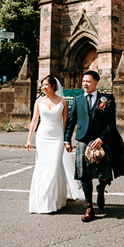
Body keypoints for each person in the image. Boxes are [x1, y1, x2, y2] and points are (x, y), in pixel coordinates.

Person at [64, 70, 124, 222]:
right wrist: (67, 139)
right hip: (83, 140)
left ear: (96, 83)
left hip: (101, 140)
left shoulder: (107, 99)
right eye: (83, 81)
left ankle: (102, 188)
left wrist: (102, 138)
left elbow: (111, 123)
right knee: (84, 175)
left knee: (104, 174)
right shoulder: (78, 100)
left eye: (88, 81)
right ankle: (89, 207)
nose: (85, 83)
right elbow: (72, 121)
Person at [26, 75, 83, 213]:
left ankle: (55, 199)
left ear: (53, 86)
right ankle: (44, 201)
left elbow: (65, 123)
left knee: (54, 167)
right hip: (43, 136)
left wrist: (66, 140)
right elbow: (34, 121)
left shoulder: (63, 102)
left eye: (46, 85)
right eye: (42, 85)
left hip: (57, 136)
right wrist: (29, 139)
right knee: (42, 167)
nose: (43, 87)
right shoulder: (39, 101)